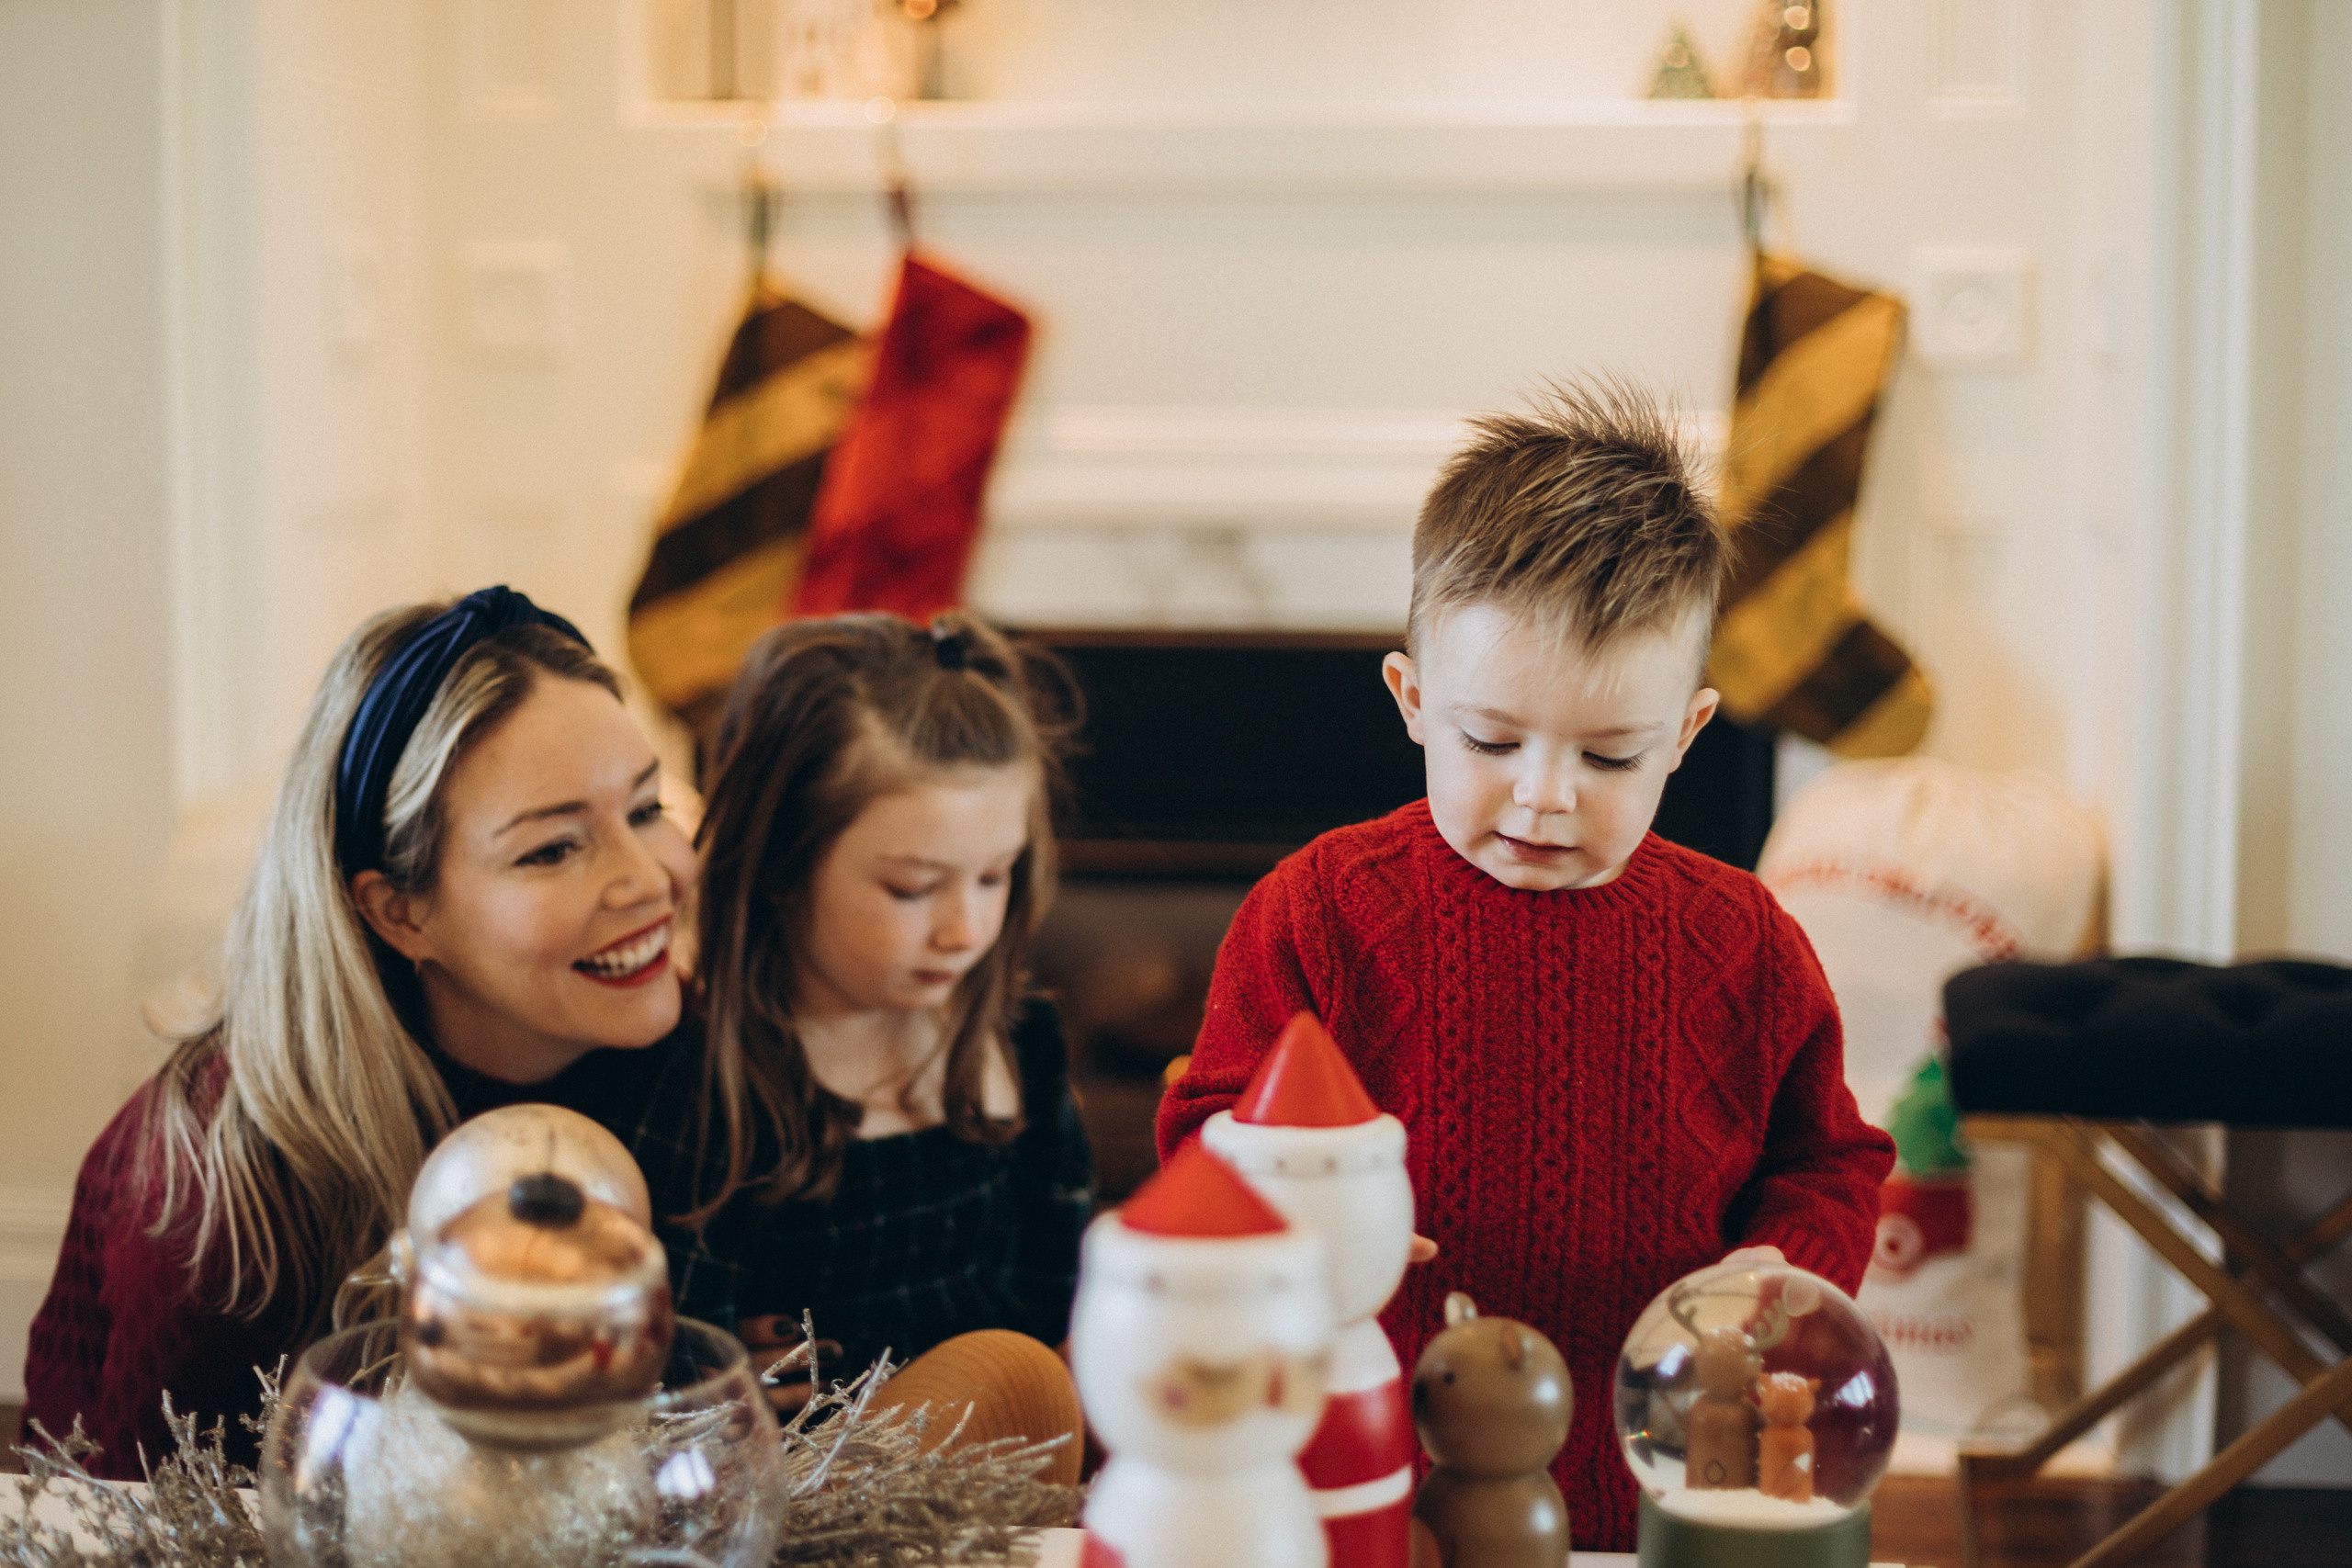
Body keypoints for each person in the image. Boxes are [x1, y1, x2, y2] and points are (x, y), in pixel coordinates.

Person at [1156, 384, 1895, 1551]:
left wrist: (1785, 1264)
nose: (1543, 794)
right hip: (1370, 1467)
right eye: (1491, 741)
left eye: (1610, 755)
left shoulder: (1743, 936)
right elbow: (1206, 1126)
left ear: (1688, 734)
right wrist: (1282, 1208)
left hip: (1660, 1475)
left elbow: (1830, 1158)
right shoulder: (1320, 910)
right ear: (1411, 701)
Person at [24, 588, 695, 1475]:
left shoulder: (675, 1043)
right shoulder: (218, 1207)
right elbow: (148, 1523)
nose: (648, 880)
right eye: (552, 849)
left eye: (646, 810)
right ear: (399, 912)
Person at [610, 611, 1093, 1433]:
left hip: (1011, 1461)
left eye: (993, 877)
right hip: (804, 1502)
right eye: (912, 888)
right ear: (782, 864)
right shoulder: (707, 1084)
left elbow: (1062, 1281)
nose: (964, 929)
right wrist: (718, 1380)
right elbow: (670, 1360)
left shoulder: (1018, 1043)